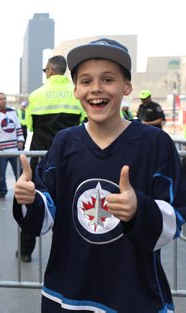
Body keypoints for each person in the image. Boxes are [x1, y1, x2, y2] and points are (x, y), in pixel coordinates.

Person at [13, 38, 186, 312]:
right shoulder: (64, 143)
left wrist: (139, 209)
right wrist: (29, 199)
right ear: (76, 90)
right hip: (67, 294)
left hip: (133, 294)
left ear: (126, 86)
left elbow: (174, 218)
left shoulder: (155, 144)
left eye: (108, 79)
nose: (95, 89)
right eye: (85, 81)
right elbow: (45, 214)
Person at [21, 55, 85, 263]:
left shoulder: (36, 95)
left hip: (40, 158)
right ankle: (64, 253)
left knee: (32, 201)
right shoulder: (76, 94)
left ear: (49, 70)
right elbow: (84, 123)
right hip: (71, 158)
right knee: (68, 205)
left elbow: (30, 126)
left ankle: (26, 252)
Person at [0, 92, 25, 199]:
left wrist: (21, 140)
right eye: (0, 99)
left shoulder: (12, 112)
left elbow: (18, 127)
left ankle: (22, 191)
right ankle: (2, 192)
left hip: (14, 149)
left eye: (4, 98)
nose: (3, 100)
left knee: (19, 172)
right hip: (1, 150)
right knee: (1, 175)